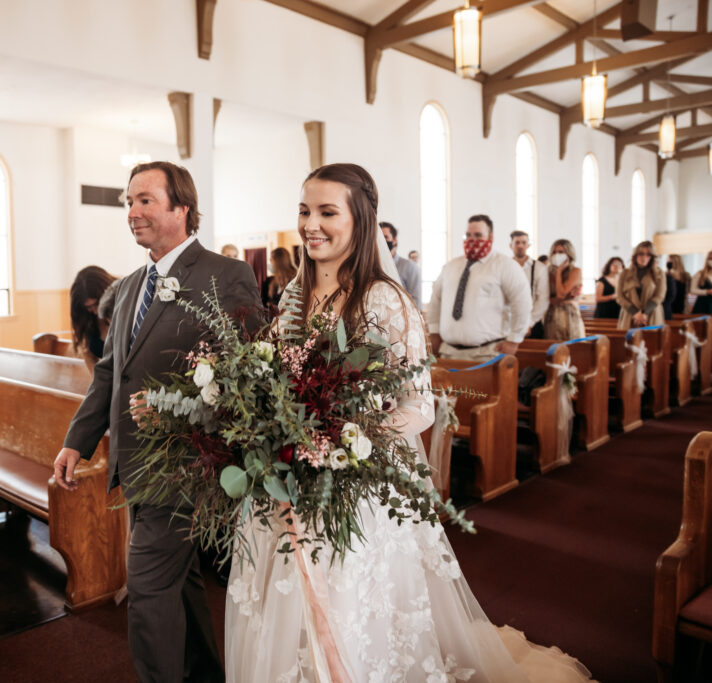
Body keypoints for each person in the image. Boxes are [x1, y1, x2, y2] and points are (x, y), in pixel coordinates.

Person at [225, 163, 591, 682]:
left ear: (361, 221)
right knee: (285, 610)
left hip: (355, 482)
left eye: (327, 212)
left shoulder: (383, 298)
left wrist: (346, 444)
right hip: (288, 479)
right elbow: (280, 378)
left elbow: (419, 405)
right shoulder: (292, 296)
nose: (311, 224)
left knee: (351, 608)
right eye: (304, 211)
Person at [53, 161, 261, 683]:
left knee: (146, 591)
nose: (133, 212)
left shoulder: (225, 275)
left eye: (145, 200)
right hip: (136, 464)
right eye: (129, 202)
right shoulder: (128, 288)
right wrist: (77, 442)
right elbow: (110, 373)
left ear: (182, 207)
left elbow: (245, 374)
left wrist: (176, 404)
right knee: (179, 584)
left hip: (186, 464)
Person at [426, 215, 532, 362]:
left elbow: (522, 303)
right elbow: (435, 302)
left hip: (487, 353)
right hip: (448, 353)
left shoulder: (505, 265)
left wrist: (514, 340)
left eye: (478, 235)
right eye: (468, 235)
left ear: (490, 237)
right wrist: (434, 332)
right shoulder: (451, 266)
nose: (472, 240)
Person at [69, 266, 117, 371]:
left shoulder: (125, 306)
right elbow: (88, 355)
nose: (96, 311)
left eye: (97, 304)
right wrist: (97, 380)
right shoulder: (88, 319)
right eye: (89, 307)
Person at [616, 241, 667, 329]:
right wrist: (635, 313)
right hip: (629, 315)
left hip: (651, 314)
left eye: (648, 255)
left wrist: (643, 313)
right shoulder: (624, 273)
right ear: (635, 255)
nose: (644, 257)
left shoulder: (659, 273)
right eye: (641, 254)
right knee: (629, 337)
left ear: (652, 257)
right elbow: (619, 296)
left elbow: (659, 296)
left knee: (651, 337)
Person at [509, 230, 549, 339]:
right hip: (509, 322)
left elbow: (543, 299)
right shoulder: (504, 267)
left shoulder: (539, 268)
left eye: (523, 242)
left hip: (533, 323)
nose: (520, 246)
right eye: (517, 242)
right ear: (511, 245)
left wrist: (529, 323)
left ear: (528, 245)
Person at [543, 239, 585, 341]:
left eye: (561, 252)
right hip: (552, 314)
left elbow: (561, 294)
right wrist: (566, 298)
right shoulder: (546, 272)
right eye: (554, 252)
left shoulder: (575, 271)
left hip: (569, 314)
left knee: (573, 345)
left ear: (569, 254)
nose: (557, 255)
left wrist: (558, 272)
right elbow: (543, 298)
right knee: (553, 345)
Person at [379, 221, 421, 309]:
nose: (382, 241)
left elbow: (415, 301)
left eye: (385, 237)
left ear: (394, 240)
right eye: (379, 238)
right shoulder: (373, 266)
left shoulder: (410, 266)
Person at [690, 250, 712, 314]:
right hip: (702, 306)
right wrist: (707, 292)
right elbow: (692, 290)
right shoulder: (699, 274)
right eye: (710, 259)